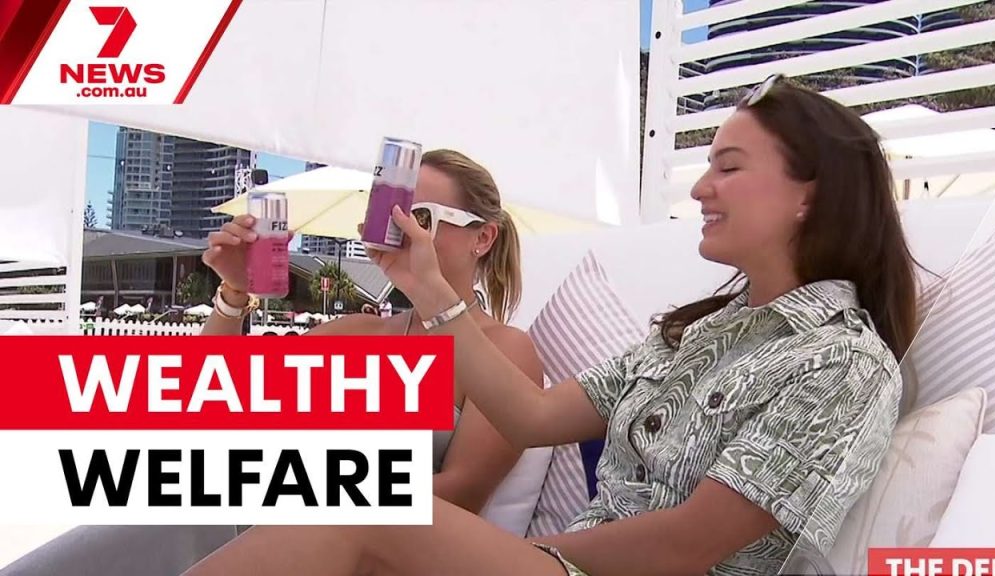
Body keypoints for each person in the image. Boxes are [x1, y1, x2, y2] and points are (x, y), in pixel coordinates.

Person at [183, 75, 919, 576]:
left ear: (808, 196)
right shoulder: (698, 335)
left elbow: (687, 546)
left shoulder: (842, 363)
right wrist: (423, 289)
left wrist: (525, 556)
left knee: (361, 516)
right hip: (559, 563)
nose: (699, 187)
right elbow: (533, 416)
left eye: (728, 167)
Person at [200, 149, 545, 514]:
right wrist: (234, 293)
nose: (401, 232)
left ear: (483, 238)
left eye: (420, 218)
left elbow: (462, 493)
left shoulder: (504, 349)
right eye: (389, 214)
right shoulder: (356, 332)